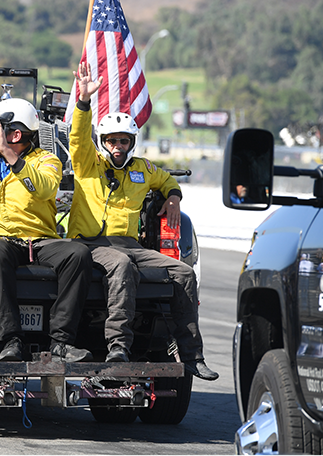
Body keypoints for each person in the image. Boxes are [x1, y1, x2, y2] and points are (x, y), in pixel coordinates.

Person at [67, 61, 218, 380]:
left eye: (123, 141)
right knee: (122, 265)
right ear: (103, 141)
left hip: (130, 245)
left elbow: (166, 181)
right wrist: (83, 102)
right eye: (111, 140)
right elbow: (78, 138)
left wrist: (174, 197)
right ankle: (118, 345)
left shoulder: (143, 169)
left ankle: (191, 356)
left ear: (131, 143)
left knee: (183, 272)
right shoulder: (87, 164)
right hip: (92, 245)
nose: (117, 147)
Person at [0, 98, 94, 363]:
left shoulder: (47, 161)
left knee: (78, 253)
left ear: (16, 134)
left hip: (40, 240)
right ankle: (10, 340)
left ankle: (61, 343)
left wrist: (9, 155)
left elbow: (43, 188)